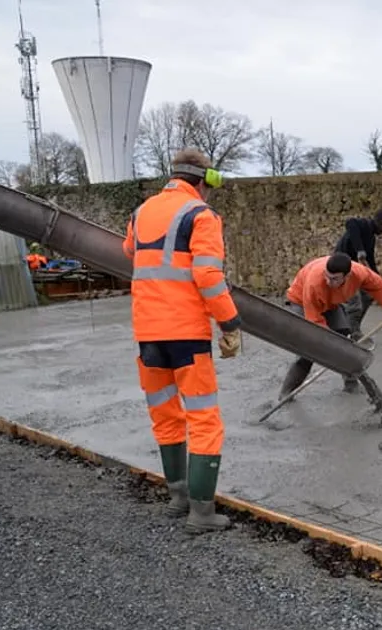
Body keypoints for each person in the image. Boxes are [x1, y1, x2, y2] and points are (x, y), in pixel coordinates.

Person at [121, 148, 242, 534]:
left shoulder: (142, 212)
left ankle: (178, 496)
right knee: (204, 417)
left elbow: (130, 251)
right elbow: (208, 276)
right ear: (205, 180)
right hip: (186, 333)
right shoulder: (201, 216)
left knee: (165, 413)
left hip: (147, 333)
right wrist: (230, 323)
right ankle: (202, 514)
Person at [280, 252, 382, 398]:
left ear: (347, 276)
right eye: (327, 276)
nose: (329, 282)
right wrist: (328, 346)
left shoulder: (359, 273)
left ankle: (351, 385)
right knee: (309, 349)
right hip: (301, 302)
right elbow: (315, 323)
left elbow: (378, 286)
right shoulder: (315, 282)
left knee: (345, 338)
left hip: (330, 304)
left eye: (334, 279)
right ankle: (287, 392)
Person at [334, 209, 382, 343]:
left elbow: (370, 260)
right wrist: (360, 250)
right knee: (355, 303)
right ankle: (349, 334)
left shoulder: (371, 238)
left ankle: (353, 328)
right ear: (381, 222)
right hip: (342, 268)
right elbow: (350, 223)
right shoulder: (362, 224)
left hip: (356, 272)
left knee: (368, 295)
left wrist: (378, 279)